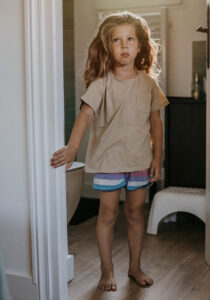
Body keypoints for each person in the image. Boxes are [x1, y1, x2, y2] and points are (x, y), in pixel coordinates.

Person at [50, 11, 169, 292]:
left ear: (140, 45)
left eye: (130, 39)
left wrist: (157, 157)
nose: (124, 46)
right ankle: (107, 269)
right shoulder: (101, 82)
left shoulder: (149, 84)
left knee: (136, 213)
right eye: (117, 40)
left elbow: (156, 123)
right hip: (108, 162)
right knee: (107, 214)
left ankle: (135, 267)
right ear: (108, 46)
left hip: (139, 161)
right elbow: (85, 115)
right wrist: (72, 149)